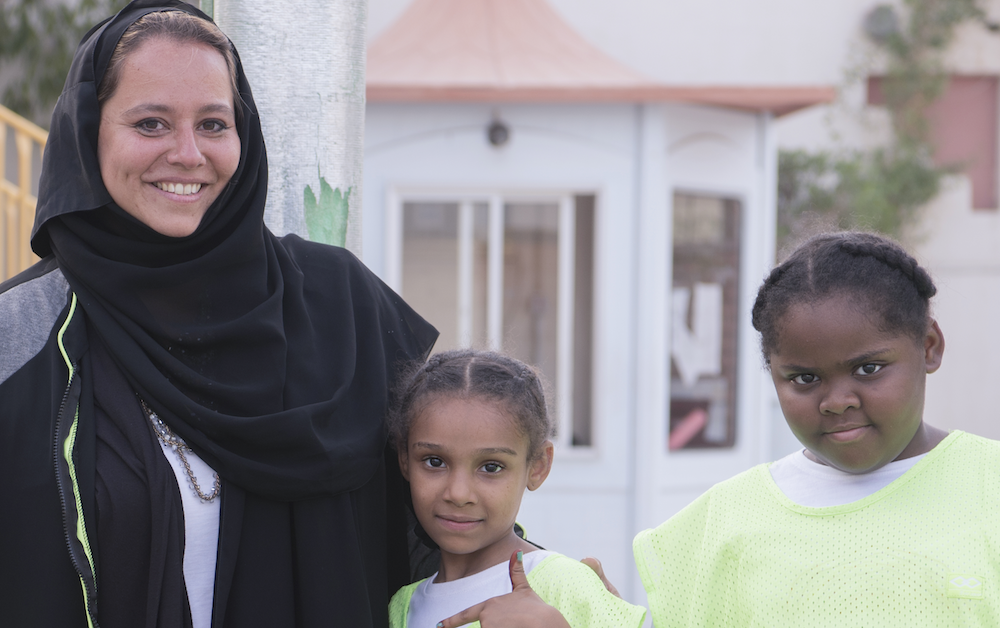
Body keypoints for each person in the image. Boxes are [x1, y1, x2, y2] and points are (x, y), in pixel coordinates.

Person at [0, 2, 437, 627]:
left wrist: (528, 574)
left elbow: (453, 491)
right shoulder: (18, 336)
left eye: (213, 123)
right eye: (150, 123)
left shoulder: (343, 306)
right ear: (89, 130)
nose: (187, 152)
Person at [634, 231, 1000, 626]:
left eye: (868, 368)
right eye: (805, 378)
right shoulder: (722, 523)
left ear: (929, 346)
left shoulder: (988, 485)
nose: (836, 401)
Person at [386, 350, 646, 628]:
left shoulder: (561, 584)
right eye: (434, 462)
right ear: (404, 458)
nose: (459, 494)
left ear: (537, 466)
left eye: (491, 467)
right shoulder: (402, 605)